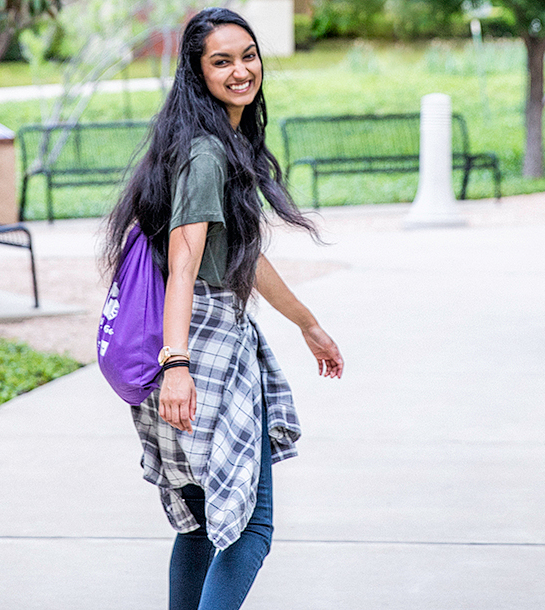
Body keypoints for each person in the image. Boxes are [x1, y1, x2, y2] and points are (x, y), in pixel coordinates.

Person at [100, 7, 345, 610]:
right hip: (203, 347)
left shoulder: (219, 144)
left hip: (208, 338)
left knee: (204, 521)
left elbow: (244, 258)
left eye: (248, 55)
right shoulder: (207, 154)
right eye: (222, 61)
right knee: (250, 529)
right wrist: (177, 364)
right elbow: (183, 267)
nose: (241, 71)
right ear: (197, 71)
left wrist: (308, 324)